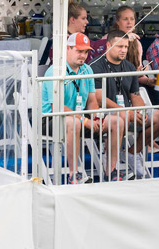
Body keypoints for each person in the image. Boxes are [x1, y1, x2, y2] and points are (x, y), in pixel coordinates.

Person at [40, 33, 121, 184]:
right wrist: (85, 120)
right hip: (52, 118)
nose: (83, 55)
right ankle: (74, 174)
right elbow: (57, 106)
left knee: (116, 121)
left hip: (79, 117)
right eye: (79, 51)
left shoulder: (87, 70)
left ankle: (111, 170)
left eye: (86, 51)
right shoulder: (55, 71)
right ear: (68, 49)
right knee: (74, 122)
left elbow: (92, 101)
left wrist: (96, 117)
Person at [89, 30, 159, 179]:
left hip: (127, 113)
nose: (123, 50)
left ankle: (132, 152)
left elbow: (135, 95)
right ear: (108, 45)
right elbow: (98, 98)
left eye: (125, 46)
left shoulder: (129, 66)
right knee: (122, 115)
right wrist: (128, 111)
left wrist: (139, 111)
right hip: (104, 114)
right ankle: (112, 166)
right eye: (119, 46)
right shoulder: (96, 65)